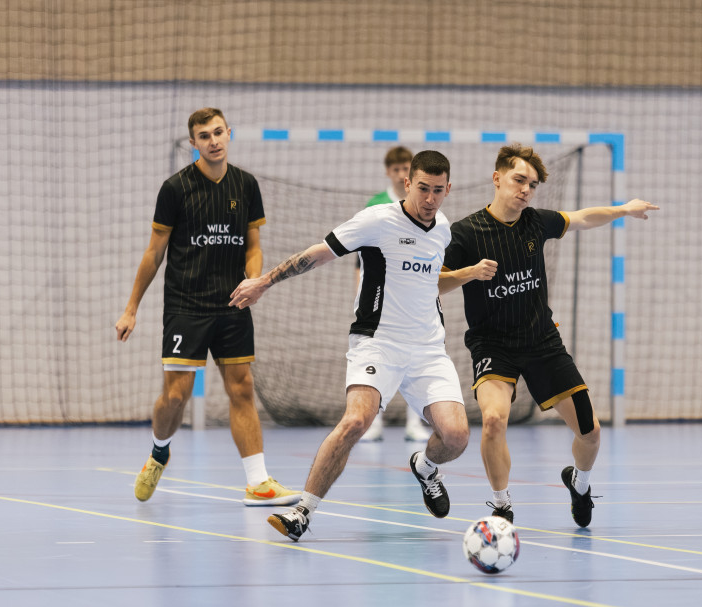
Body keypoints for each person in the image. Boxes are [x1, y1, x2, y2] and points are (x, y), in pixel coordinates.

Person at [230, 151, 473, 541]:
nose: (430, 199)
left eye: (438, 191)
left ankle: (426, 467)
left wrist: (466, 276)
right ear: (407, 184)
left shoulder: (442, 229)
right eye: (423, 188)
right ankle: (302, 512)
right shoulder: (378, 220)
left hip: (428, 350)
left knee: (457, 436)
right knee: (355, 421)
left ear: (449, 189)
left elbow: (430, 282)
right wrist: (264, 282)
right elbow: (316, 254)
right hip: (377, 343)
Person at [440, 143, 658, 526]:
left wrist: (623, 209)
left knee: (590, 432)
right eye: (519, 179)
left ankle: (580, 482)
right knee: (493, 420)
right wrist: (468, 274)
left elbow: (583, 217)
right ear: (497, 178)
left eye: (533, 184)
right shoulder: (465, 233)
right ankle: (501, 505)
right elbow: (434, 284)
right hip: (493, 345)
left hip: (542, 342)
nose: (526, 189)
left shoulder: (536, 222)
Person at [116, 107, 299, 507]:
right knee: (176, 396)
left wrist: (254, 280)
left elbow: (253, 246)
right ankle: (159, 452)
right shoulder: (175, 189)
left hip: (232, 305)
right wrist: (131, 308)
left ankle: (258, 482)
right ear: (193, 142)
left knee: (242, 387)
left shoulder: (247, 185)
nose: (213, 141)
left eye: (218, 132)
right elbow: (153, 253)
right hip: (186, 306)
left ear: (229, 133)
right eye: (204, 135)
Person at [359, 145, 432, 443]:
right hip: (380, 298)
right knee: (377, 359)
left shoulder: (424, 206)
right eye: (397, 169)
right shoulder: (376, 205)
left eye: (407, 169)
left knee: (416, 358)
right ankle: (373, 421)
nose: (402, 174)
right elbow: (361, 257)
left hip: (412, 297)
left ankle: (414, 422)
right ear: (389, 173)